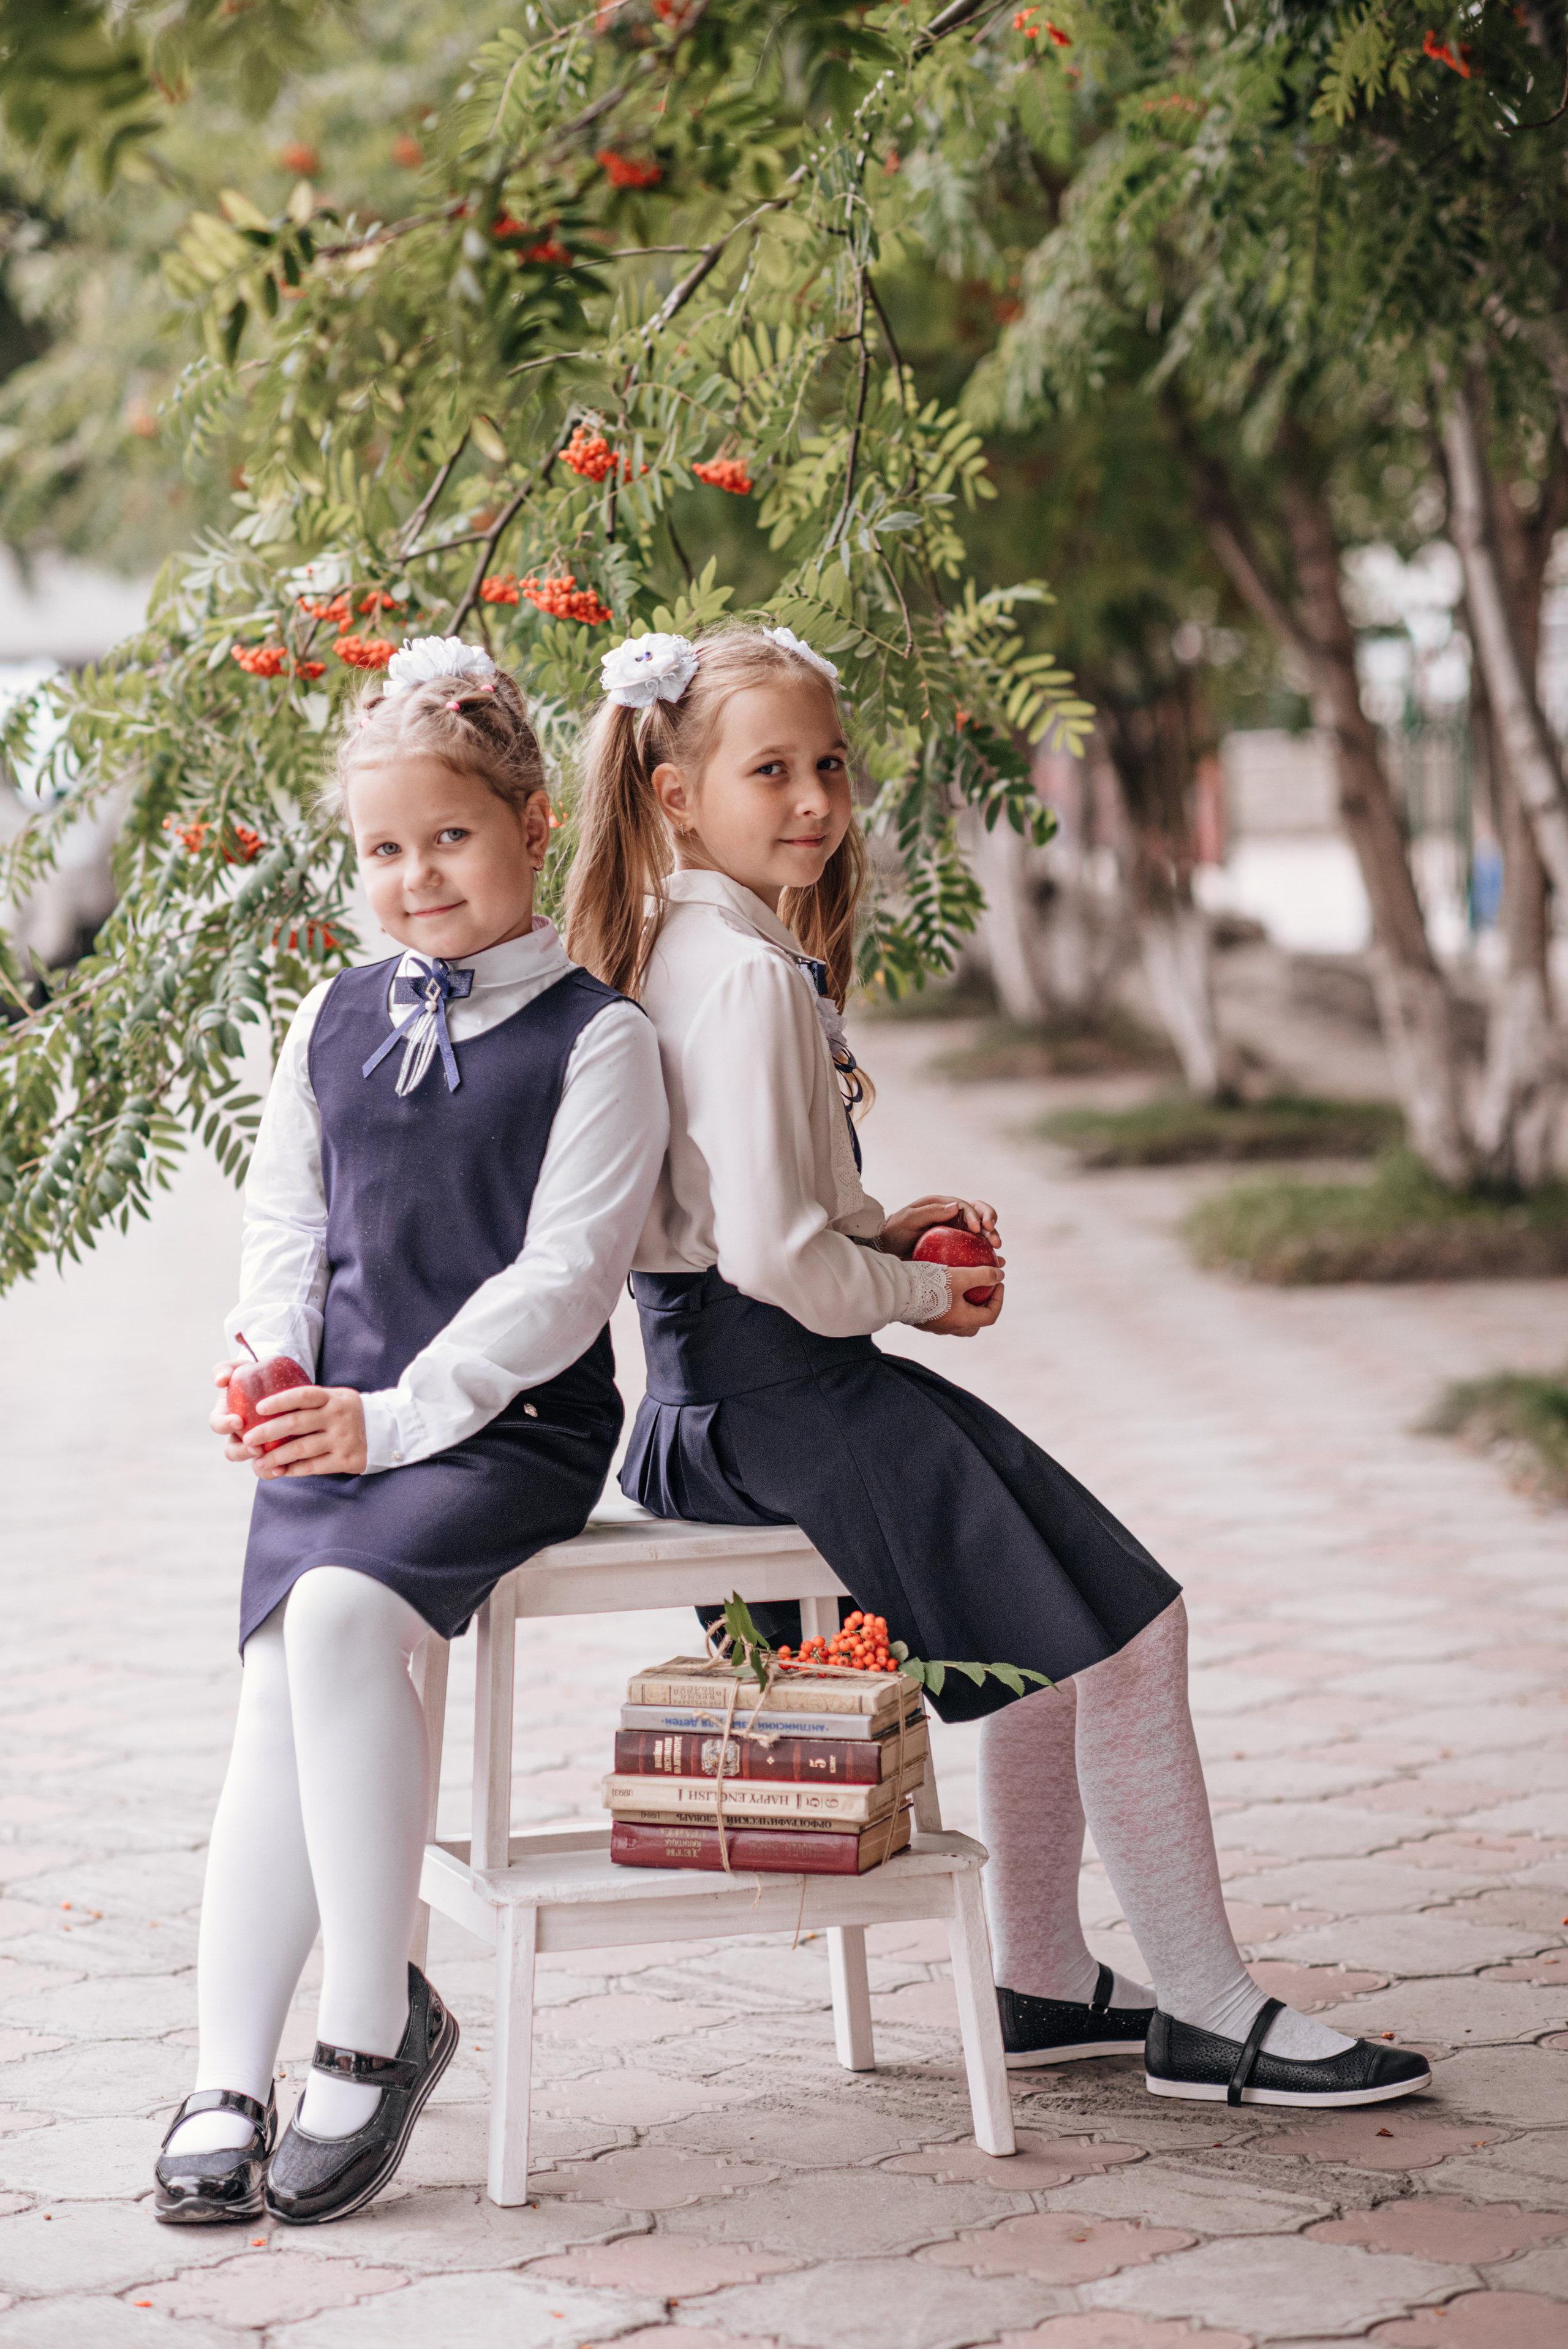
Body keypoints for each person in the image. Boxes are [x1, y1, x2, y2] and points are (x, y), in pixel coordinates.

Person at [562, 621, 1430, 2113]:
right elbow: (776, 1261)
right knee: (1131, 1636)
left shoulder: (679, 945)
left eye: (828, 764)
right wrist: (909, 1289)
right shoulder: (750, 976)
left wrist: (875, 1225)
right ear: (673, 792)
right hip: (794, 1402)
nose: (816, 800)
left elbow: (726, 1217)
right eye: (769, 769)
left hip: (712, 1403)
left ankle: (1039, 1978)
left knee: (1045, 1638)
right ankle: (1207, 2012)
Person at [154, 637, 668, 2227]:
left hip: (499, 1425)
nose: (415, 874)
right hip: (337, 1415)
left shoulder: (600, 1039)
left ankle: (372, 2025)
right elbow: (284, 1227)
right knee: (271, 1689)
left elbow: (562, 1283)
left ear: (530, 827)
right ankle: (227, 2067)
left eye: (448, 836)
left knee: (335, 1615)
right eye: (385, 849)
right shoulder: (333, 1013)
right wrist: (267, 1367)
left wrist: (382, 1421)